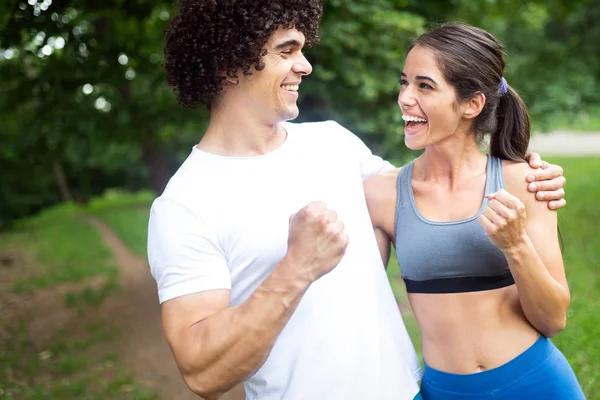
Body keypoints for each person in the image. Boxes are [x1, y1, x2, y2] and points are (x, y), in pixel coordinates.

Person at [147, 2, 567, 399]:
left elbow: (433, 188)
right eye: (287, 51)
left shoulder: (334, 144)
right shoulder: (184, 206)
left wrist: (524, 172)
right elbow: (202, 373)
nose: (305, 65)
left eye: (302, 49)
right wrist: (296, 268)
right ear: (230, 64)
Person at [364, 23, 584, 399]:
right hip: (442, 390)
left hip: (535, 384)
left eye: (424, 85)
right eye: (405, 82)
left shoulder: (525, 183)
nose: (404, 97)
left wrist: (515, 245)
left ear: (472, 104)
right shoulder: (382, 195)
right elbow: (355, 305)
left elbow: (553, 319)